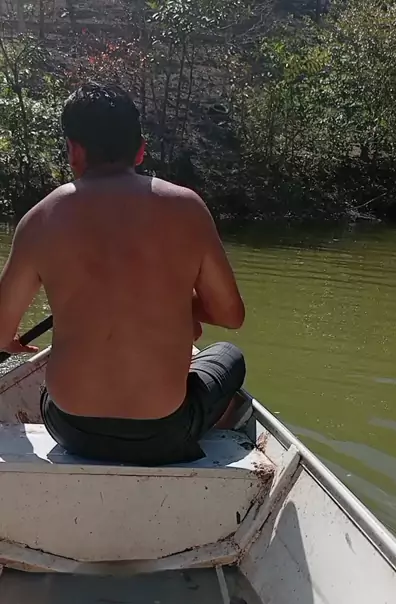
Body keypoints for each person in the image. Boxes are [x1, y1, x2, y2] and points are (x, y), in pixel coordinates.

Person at [0, 83, 246, 464]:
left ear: (74, 150)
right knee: (229, 356)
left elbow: (1, 333)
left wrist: (13, 341)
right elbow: (231, 315)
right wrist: (181, 304)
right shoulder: (187, 209)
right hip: (164, 432)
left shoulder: (40, 219)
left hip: (69, 427)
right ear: (141, 150)